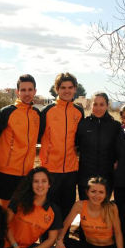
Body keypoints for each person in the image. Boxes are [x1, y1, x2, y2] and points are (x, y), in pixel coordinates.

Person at [0, 167, 69, 248]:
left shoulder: (53, 210)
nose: (40, 185)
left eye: (43, 181)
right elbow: (5, 225)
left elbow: (51, 239)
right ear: (31, 184)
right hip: (9, 246)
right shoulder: (19, 201)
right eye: (36, 181)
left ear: (49, 184)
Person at [39, 72, 84, 220]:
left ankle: (62, 241)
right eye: (63, 87)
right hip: (50, 169)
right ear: (57, 89)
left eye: (70, 87)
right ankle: (46, 241)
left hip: (71, 170)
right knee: (48, 209)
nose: (67, 90)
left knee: (67, 208)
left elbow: (79, 140)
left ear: (75, 89)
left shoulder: (79, 111)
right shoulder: (47, 111)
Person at [0, 74, 41, 209]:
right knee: (4, 212)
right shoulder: (7, 112)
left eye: (30, 90)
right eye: (23, 90)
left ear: (35, 91)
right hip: (6, 171)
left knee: (20, 212)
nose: (27, 93)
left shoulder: (37, 114)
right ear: (17, 92)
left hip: (27, 172)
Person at [76, 93, 120, 199]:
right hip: (85, 177)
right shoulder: (83, 124)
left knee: (102, 211)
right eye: (95, 104)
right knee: (86, 210)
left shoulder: (115, 126)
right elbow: (76, 147)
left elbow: (119, 150)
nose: (98, 108)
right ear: (91, 105)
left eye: (102, 104)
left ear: (107, 105)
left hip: (106, 177)